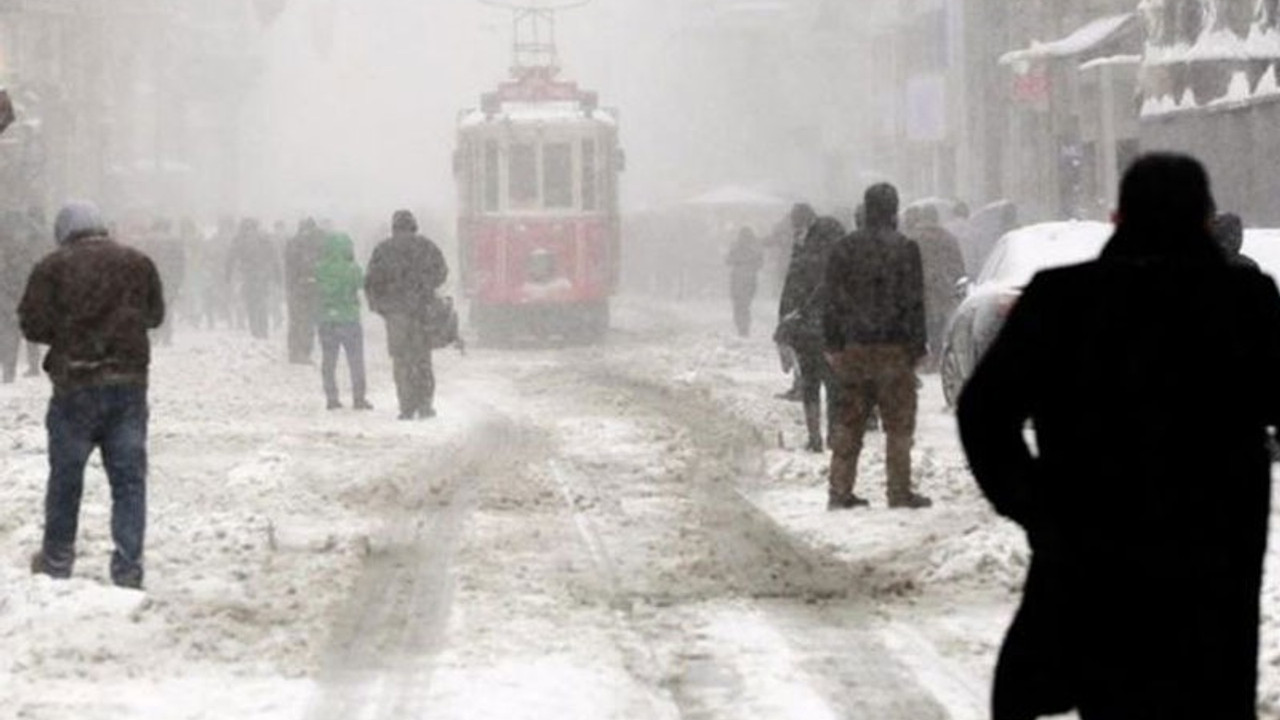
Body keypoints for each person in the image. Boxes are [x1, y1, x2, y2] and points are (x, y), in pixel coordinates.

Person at [957, 154, 1280, 720]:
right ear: (1205, 220)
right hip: (1213, 557)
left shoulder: (1063, 299)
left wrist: (1034, 504)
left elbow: (985, 410)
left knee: (1108, 690)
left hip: (1094, 545)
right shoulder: (1243, 301)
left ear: (1117, 217)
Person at [18, 202, 164, 589]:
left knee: (66, 479)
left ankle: (56, 562)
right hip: (128, 385)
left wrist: (70, 331)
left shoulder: (51, 267)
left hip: (74, 387)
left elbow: (32, 325)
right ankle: (128, 568)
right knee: (129, 482)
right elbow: (155, 316)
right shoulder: (138, 262)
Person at [822, 183, 930, 510]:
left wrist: (833, 343)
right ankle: (899, 491)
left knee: (849, 421)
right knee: (898, 426)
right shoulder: (906, 248)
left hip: (853, 348)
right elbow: (914, 302)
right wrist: (917, 346)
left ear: (866, 209)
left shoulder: (843, 249)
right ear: (894, 210)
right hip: (894, 350)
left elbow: (831, 301)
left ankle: (839, 491)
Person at [365, 210, 448, 420]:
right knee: (422, 358)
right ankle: (425, 404)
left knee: (401, 361)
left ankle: (406, 406)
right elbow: (442, 272)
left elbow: (371, 282)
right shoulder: (426, 247)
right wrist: (426, 287)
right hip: (421, 311)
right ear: (414, 226)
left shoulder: (383, 250)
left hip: (395, 314)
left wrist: (380, 306)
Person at [777, 203, 844, 453]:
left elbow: (790, 287)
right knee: (833, 382)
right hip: (831, 327)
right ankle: (832, 435)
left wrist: (786, 318)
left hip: (807, 326)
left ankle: (815, 436)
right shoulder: (839, 257)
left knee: (811, 381)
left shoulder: (805, 254)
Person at [315, 232, 371, 411]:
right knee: (355, 361)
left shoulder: (320, 268)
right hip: (349, 319)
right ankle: (359, 398)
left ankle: (332, 398)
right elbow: (362, 285)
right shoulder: (353, 268)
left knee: (329, 361)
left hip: (327, 320)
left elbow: (315, 289)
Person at [910, 205, 967, 370]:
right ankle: (937, 352)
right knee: (941, 321)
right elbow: (957, 262)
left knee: (926, 322)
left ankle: (928, 356)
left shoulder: (914, 238)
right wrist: (957, 278)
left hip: (921, 287)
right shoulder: (947, 237)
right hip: (944, 286)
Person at [226, 218, 281, 340]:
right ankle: (263, 329)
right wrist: (277, 276)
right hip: (263, 275)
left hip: (248, 275)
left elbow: (231, 258)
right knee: (261, 301)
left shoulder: (239, 239)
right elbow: (274, 257)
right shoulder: (264, 238)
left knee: (251, 302)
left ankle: (255, 329)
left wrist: (228, 275)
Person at [285, 218, 324, 364]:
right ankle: (303, 352)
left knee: (297, 320)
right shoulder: (317, 243)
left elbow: (289, 266)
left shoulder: (294, 243)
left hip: (297, 288)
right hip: (310, 287)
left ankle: (295, 351)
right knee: (306, 321)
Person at [726, 227, 764, 337]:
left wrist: (739, 262)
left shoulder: (736, 247)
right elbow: (760, 264)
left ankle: (742, 328)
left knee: (739, 306)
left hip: (738, 280)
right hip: (749, 279)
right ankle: (744, 328)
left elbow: (728, 260)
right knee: (744, 306)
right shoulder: (755, 249)